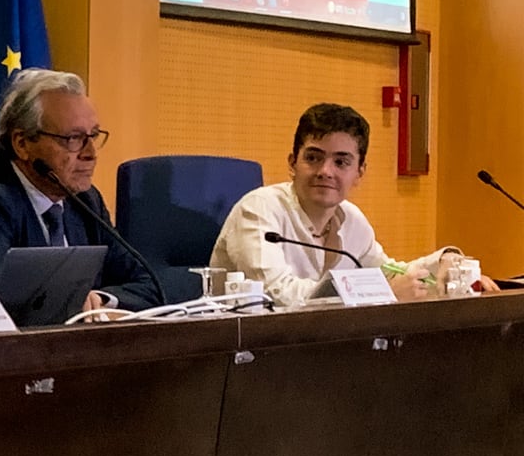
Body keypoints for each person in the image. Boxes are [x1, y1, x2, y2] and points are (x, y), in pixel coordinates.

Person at [0, 67, 159, 312]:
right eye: (73, 138)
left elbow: (150, 287)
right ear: (22, 144)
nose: (90, 153)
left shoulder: (85, 201)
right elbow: (8, 304)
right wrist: (75, 302)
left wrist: (100, 299)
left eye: (93, 136)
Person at [209, 102, 492, 306]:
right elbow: (278, 295)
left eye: (341, 162)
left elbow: (388, 271)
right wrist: (385, 294)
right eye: (313, 157)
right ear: (293, 163)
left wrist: (446, 263)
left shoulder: (351, 219)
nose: (325, 171)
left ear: (359, 172)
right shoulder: (259, 210)